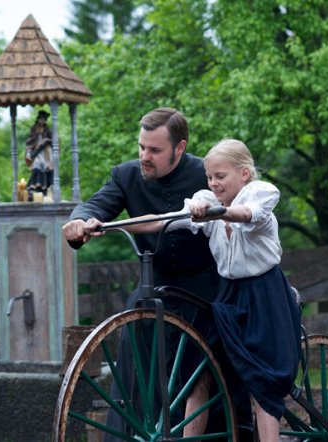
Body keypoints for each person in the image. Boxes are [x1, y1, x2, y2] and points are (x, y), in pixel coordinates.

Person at [84, 139, 302, 441]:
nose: (213, 183)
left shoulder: (261, 193)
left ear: (244, 174)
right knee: (199, 371)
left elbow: (247, 214)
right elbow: (160, 223)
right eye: (210, 177)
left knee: (261, 385)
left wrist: (214, 211)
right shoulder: (206, 198)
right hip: (227, 296)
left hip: (262, 296)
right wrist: (108, 225)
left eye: (220, 177)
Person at [62, 108, 243, 440]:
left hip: (206, 287)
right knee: (134, 341)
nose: (145, 156)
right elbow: (93, 208)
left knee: (210, 359)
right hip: (153, 285)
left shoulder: (206, 174)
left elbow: (243, 202)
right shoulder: (125, 176)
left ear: (180, 147)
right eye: (141, 147)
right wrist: (79, 222)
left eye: (155, 150)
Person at [25, 109, 55, 194]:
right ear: (38, 119)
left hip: (45, 151)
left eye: (44, 119)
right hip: (36, 151)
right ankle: (35, 185)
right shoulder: (34, 128)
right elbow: (29, 141)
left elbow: (51, 140)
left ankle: (45, 186)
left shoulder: (47, 129)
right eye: (41, 119)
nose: (42, 121)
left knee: (46, 166)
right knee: (37, 164)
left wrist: (46, 140)